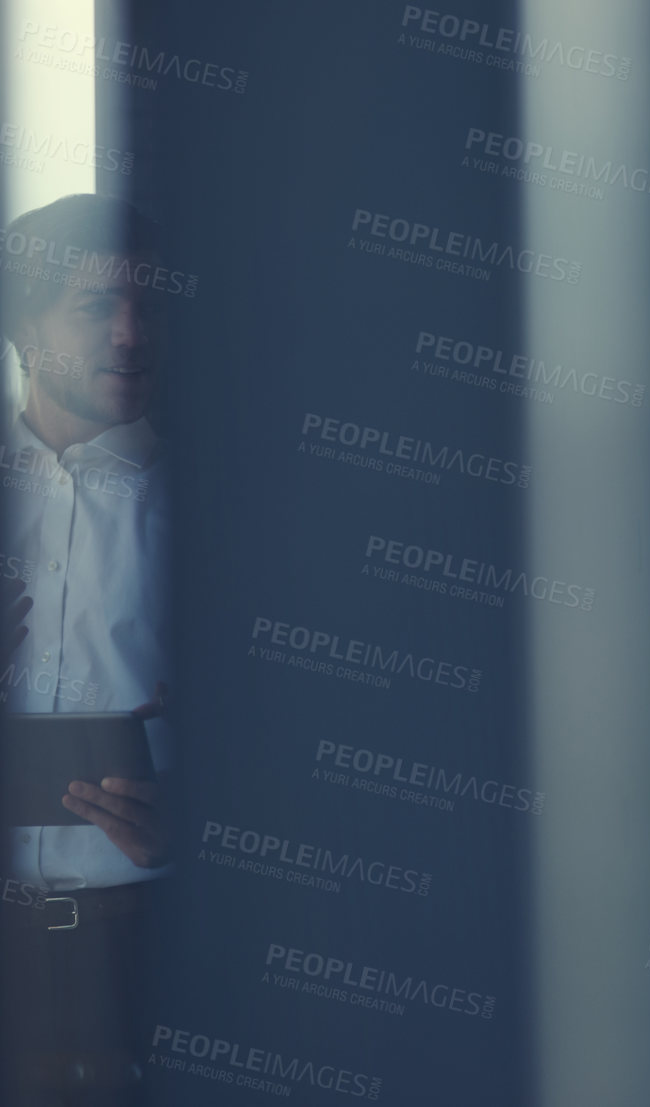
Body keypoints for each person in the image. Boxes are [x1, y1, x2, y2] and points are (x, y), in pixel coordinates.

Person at [0, 193, 173, 1105]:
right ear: (23, 326)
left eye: (149, 303)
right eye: (96, 306)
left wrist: (204, 820)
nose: (132, 333)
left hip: (150, 961)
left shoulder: (220, 517)